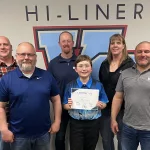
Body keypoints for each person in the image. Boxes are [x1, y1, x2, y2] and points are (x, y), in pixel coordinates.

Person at [0, 42, 62, 150]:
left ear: (35, 57)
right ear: (16, 56)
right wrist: (4, 129)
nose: (26, 58)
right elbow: (0, 106)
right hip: (18, 136)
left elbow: (56, 100)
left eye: (30, 54)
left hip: (43, 134)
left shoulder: (47, 76)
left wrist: (57, 122)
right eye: (22, 54)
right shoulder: (7, 79)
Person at [63, 55, 108, 150]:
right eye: (81, 66)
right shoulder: (70, 86)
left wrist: (101, 105)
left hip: (93, 124)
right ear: (76, 69)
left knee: (90, 147)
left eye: (87, 66)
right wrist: (69, 105)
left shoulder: (98, 85)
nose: (84, 69)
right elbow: (65, 105)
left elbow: (104, 103)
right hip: (76, 124)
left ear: (91, 69)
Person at [111, 41, 150, 150]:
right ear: (135, 54)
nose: (143, 54)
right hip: (128, 127)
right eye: (139, 52)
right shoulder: (125, 73)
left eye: (147, 51)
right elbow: (118, 97)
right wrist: (113, 119)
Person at [99, 34, 134, 150]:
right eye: (112, 43)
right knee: (106, 140)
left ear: (123, 46)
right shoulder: (104, 64)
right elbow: (101, 85)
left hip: (123, 110)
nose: (115, 45)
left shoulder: (129, 65)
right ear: (109, 46)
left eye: (118, 43)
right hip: (105, 108)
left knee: (122, 141)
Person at [47, 31, 78, 150]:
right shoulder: (53, 63)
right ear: (59, 43)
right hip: (60, 106)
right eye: (63, 41)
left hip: (78, 106)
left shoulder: (81, 62)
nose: (66, 43)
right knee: (60, 137)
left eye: (68, 41)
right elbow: (48, 86)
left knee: (77, 138)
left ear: (73, 43)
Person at [0, 36, 17, 150]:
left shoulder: (22, 66)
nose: (2, 47)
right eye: (0, 45)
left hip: (20, 118)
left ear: (11, 47)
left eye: (5, 44)